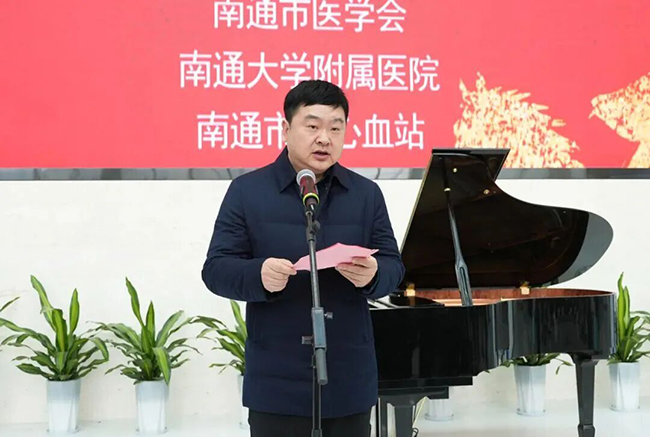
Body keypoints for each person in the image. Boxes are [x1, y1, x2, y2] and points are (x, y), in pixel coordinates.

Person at [201, 80, 405, 437]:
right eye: (312, 126)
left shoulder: (366, 194)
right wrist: (258, 275)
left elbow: (394, 267)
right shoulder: (247, 192)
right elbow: (216, 270)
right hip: (276, 381)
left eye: (335, 128)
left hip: (348, 378)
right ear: (286, 129)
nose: (324, 138)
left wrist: (374, 274)